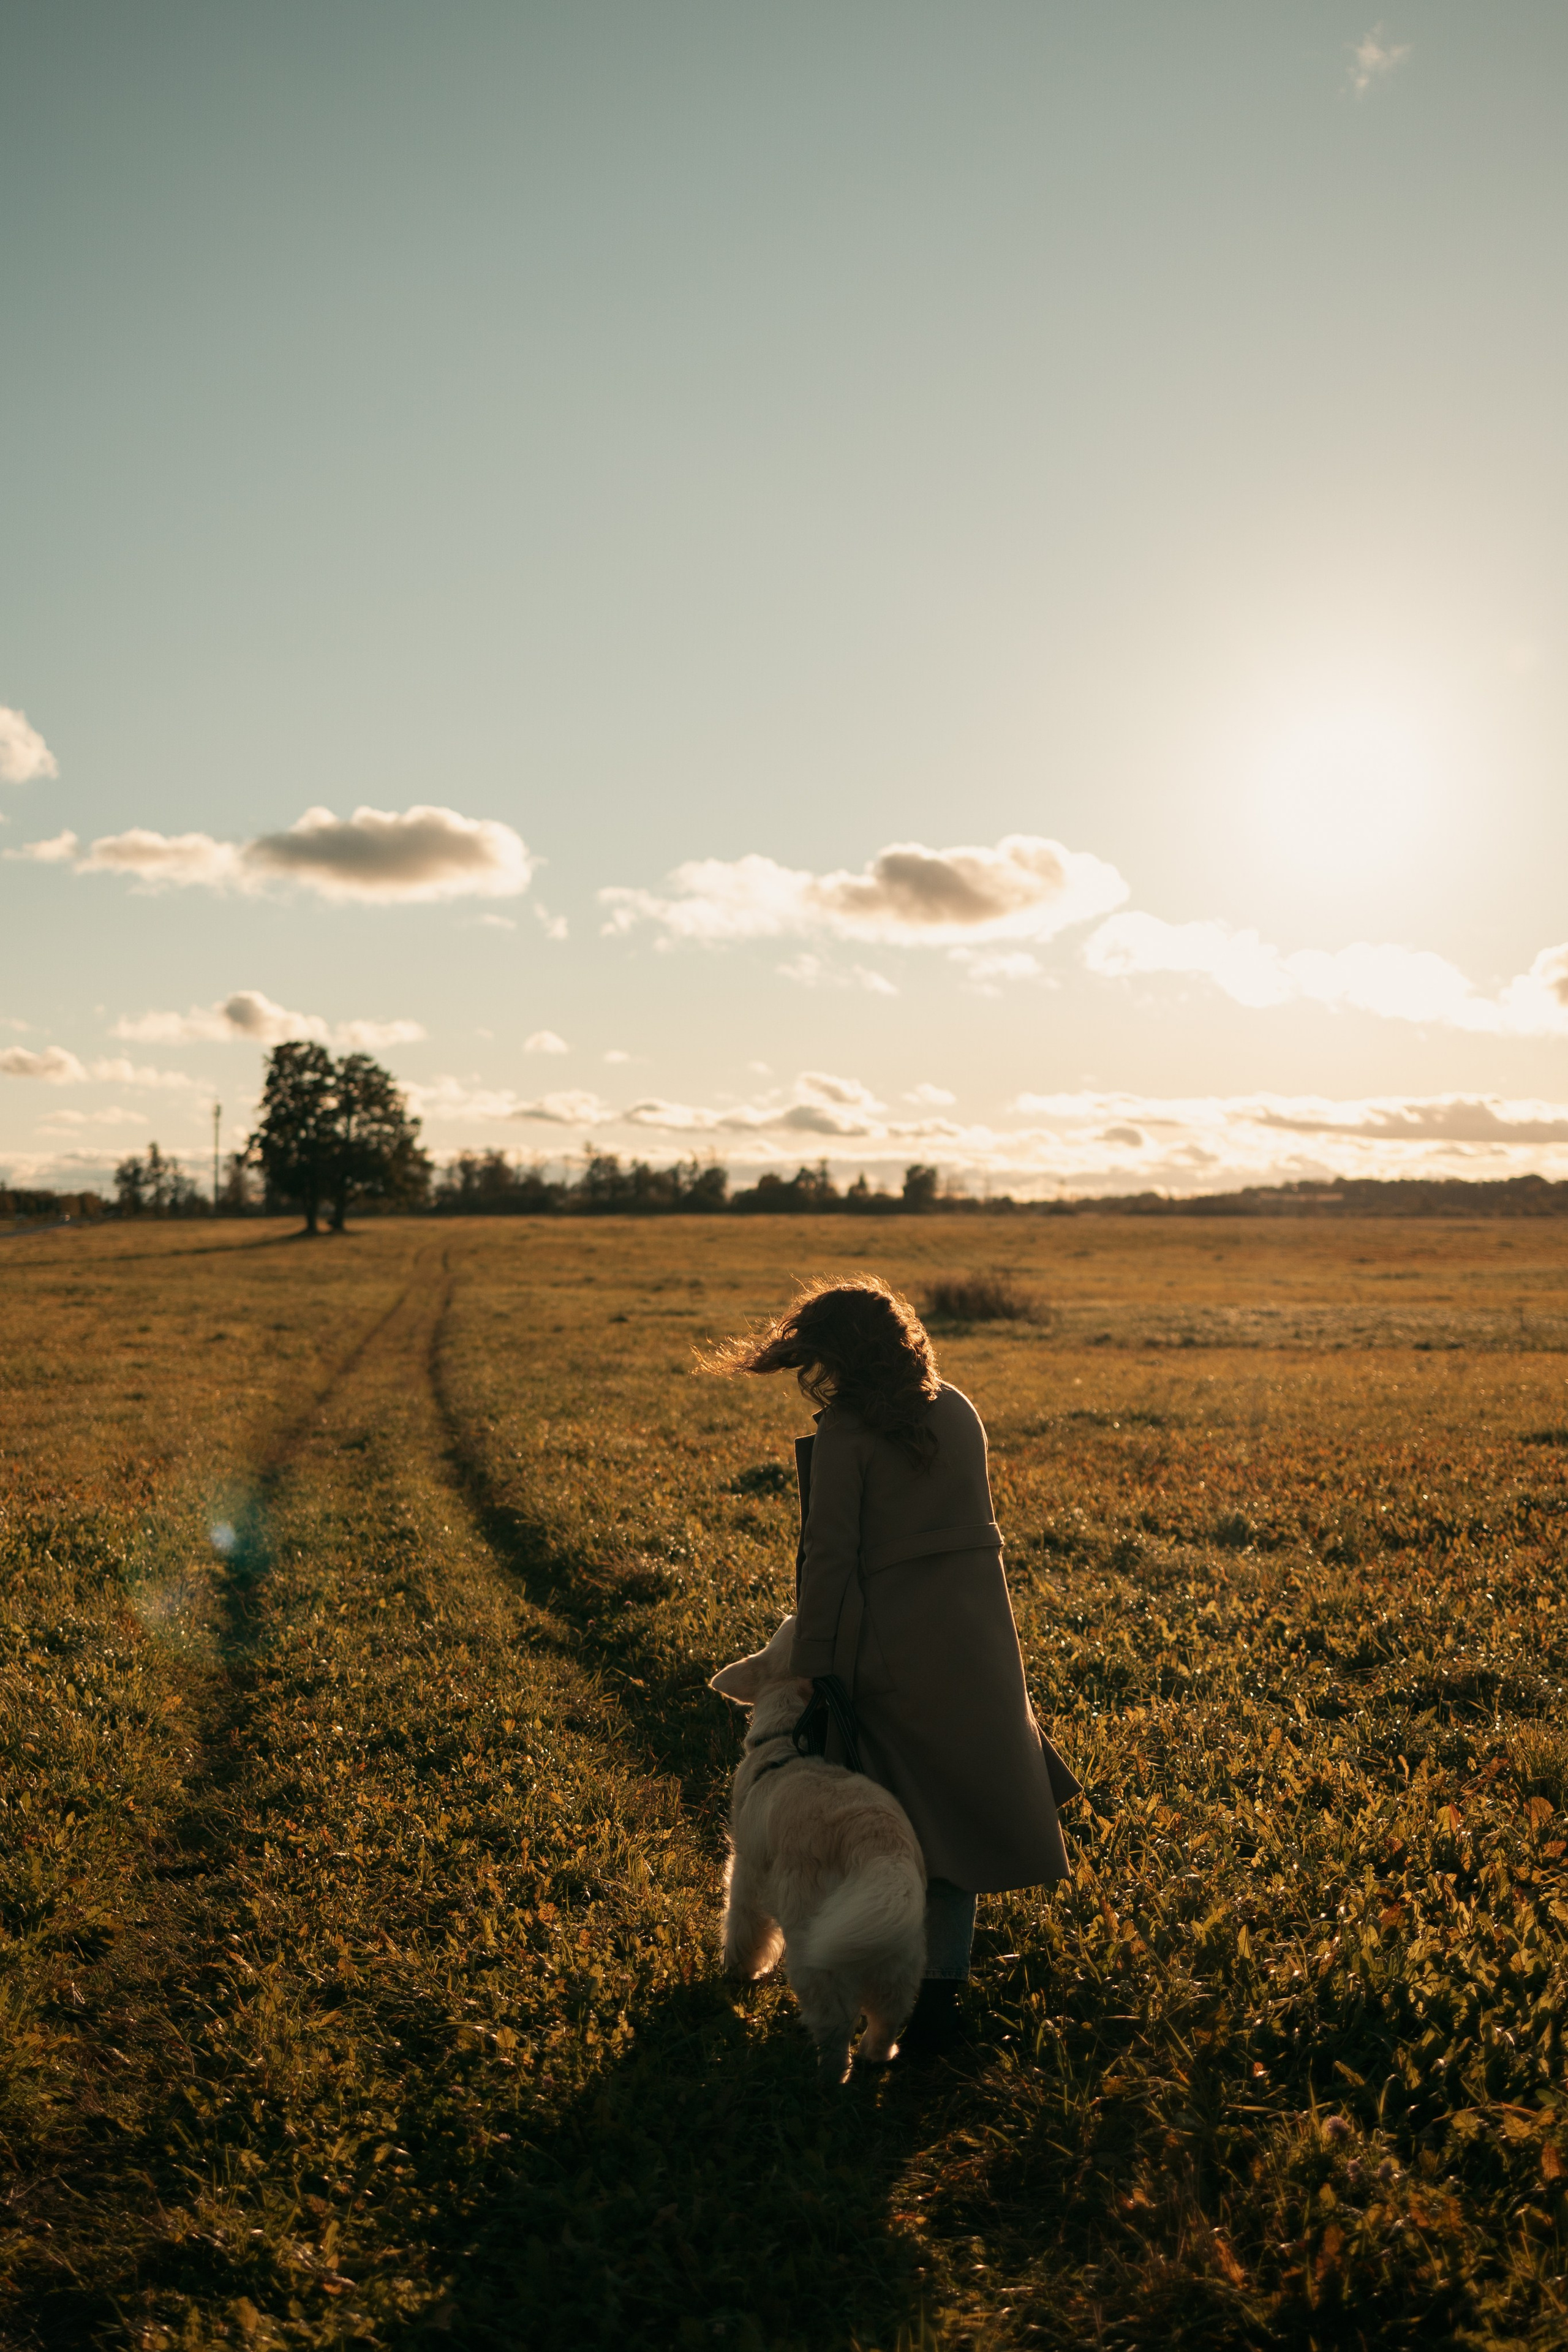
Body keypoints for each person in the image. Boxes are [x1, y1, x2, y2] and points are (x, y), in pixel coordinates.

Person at [708, 1274, 1079, 2057]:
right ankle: (939, 1996)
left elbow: (829, 1565)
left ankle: (855, 1979)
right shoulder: (958, 1408)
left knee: (899, 1825)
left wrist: (814, 1673)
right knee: (960, 1818)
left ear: (836, 1358)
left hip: (886, 1656)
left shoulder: (847, 1434)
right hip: (979, 1646)